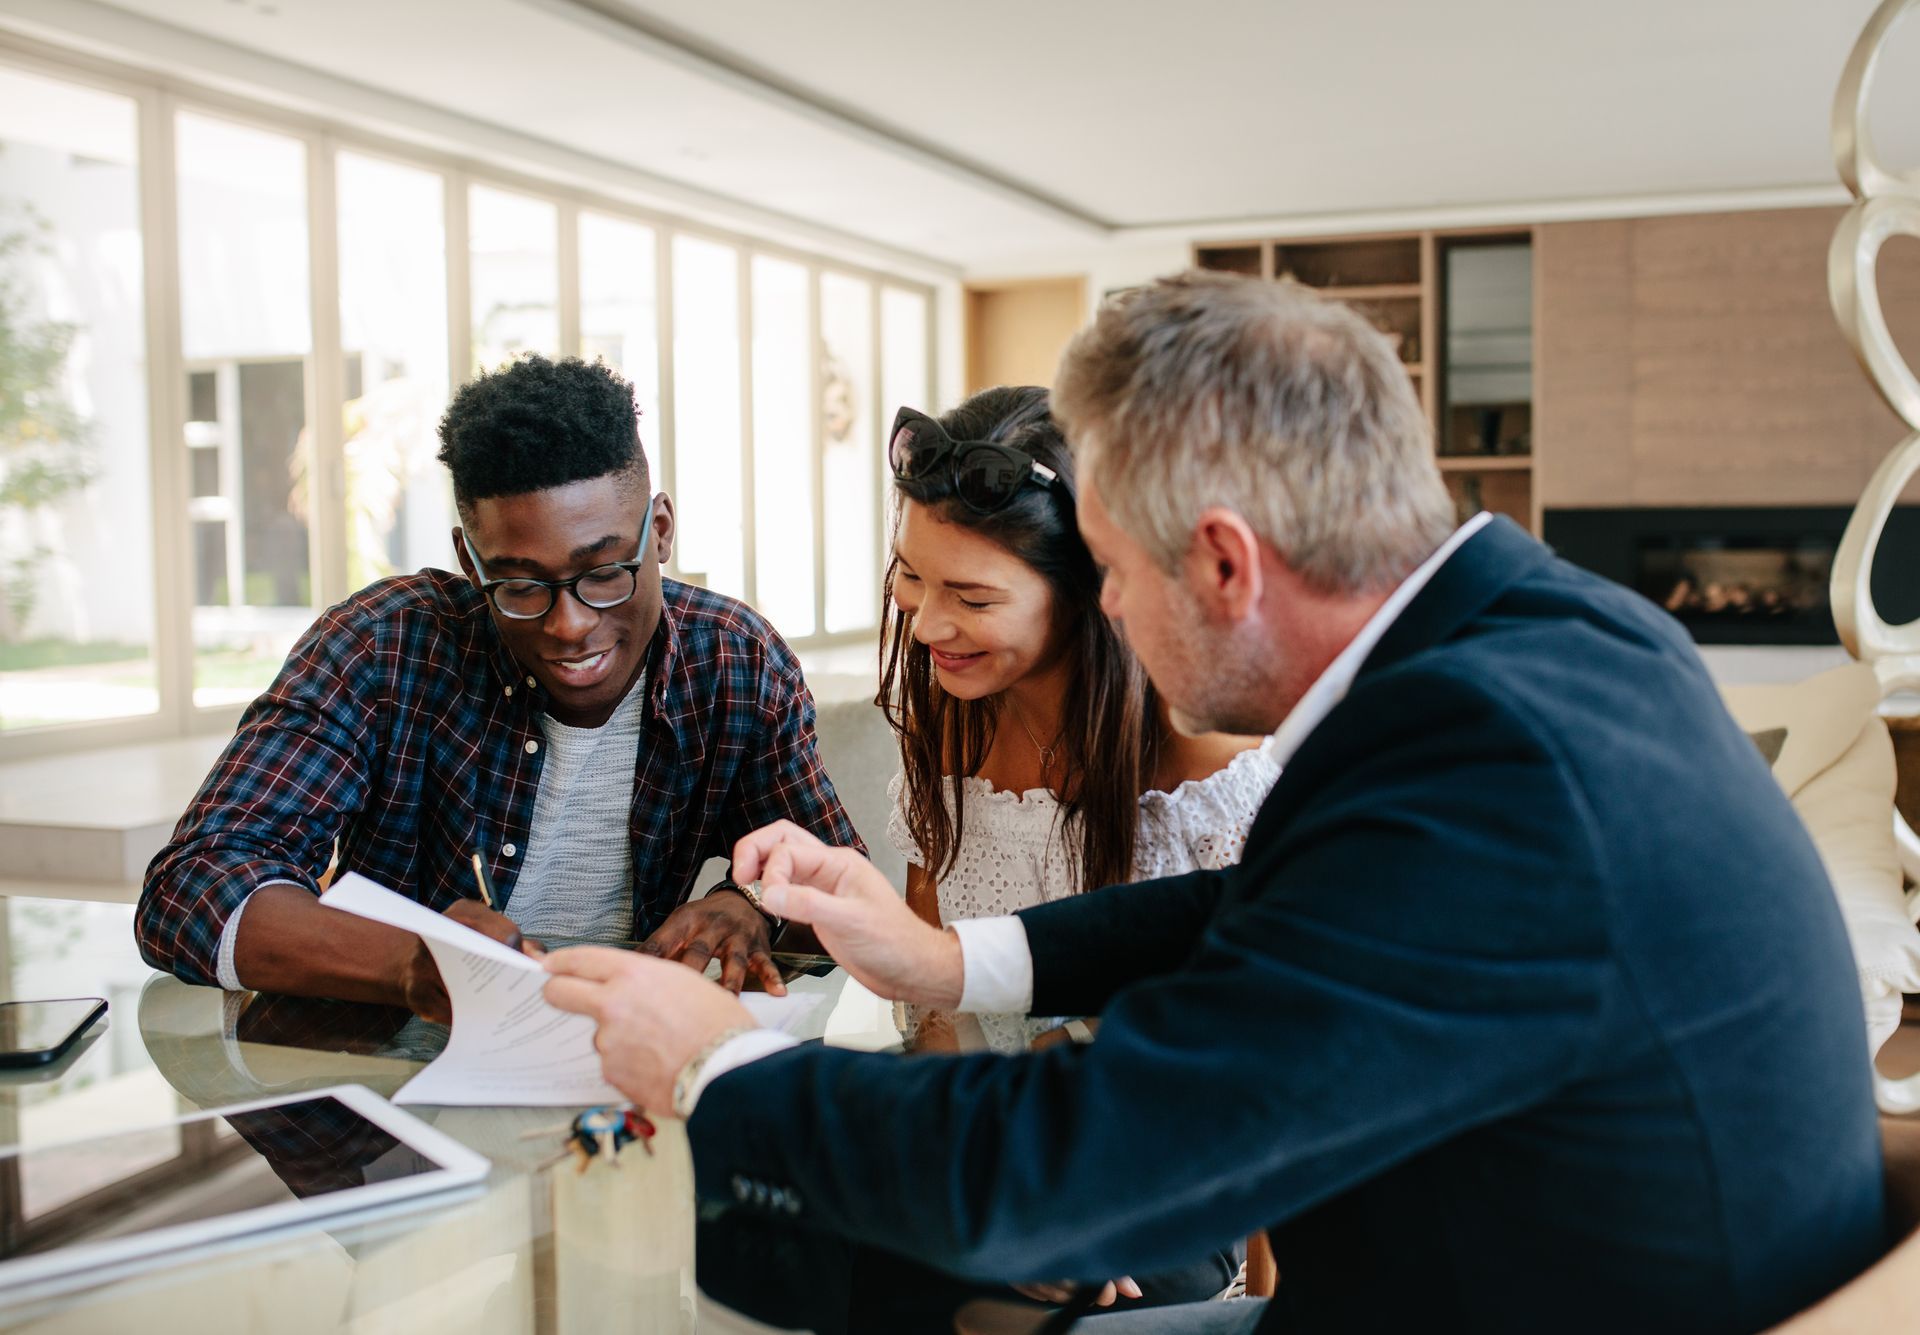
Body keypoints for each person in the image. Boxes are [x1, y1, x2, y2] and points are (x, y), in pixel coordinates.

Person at [543, 275, 1884, 1335]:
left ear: (1227, 561)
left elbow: (1053, 1180)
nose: (1109, 612)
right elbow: (1276, 901)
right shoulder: (1551, 630)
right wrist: (956, 959)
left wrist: (715, 1060)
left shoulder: (1487, 773)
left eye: (1114, 571)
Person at [141, 355, 861, 1022]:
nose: (572, 625)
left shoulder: (735, 662)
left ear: (661, 532)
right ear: (469, 559)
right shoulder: (383, 645)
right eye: (519, 585)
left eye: (606, 570)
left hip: (621, 1064)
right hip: (392, 1077)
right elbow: (192, 886)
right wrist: (407, 965)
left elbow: (842, 889)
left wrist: (751, 904)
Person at [881, 385, 1278, 1056]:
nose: (926, 626)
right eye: (912, 575)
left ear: (1089, 593)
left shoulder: (1203, 755)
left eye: (973, 597)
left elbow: (1254, 1008)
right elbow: (933, 994)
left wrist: (1078, 1046)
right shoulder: (953, 722)